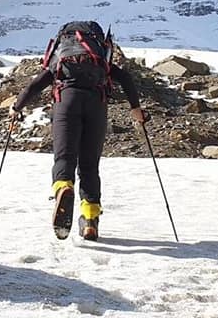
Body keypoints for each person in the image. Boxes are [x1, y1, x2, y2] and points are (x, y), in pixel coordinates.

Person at [11, 21, 146, 241]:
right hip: (96, 104)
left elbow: (34, 85)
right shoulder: (101, 58)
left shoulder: (61, 57)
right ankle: (90, 220)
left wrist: (16, 107)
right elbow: (126, 79)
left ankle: (64, 188)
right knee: (89, 166)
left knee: (64, 157)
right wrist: (136, 110)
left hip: (67, 101)